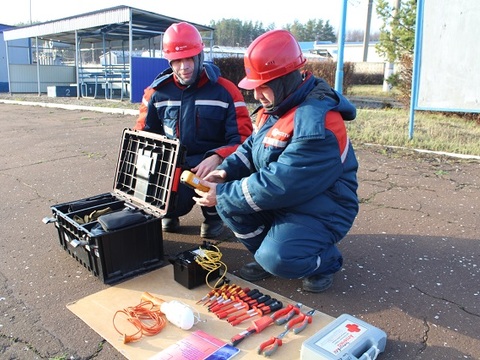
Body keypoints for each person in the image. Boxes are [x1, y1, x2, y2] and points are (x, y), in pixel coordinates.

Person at [192, 29, 359, 292]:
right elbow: (250, 149)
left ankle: (325, 261)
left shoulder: (318, 125)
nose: (256, 95)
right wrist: (224, 172)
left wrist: (222, 193)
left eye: (263, 85)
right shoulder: (276, 107)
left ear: (285, 79)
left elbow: (283, 183)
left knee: (275, 252)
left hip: (325, 207)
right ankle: (267, 257)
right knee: (229, 204)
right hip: (292, 199)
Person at [133, 22, 253, 239]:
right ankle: (168, 210)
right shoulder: (155, 93)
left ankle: (214, 216)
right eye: (177, 61)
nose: (184, 66)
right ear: (169, 61)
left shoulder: (226, 91)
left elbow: (244, 139)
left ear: (200, 55)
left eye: (189, 58)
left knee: (234, 166)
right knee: (148, 171)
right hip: (174, 165)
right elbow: (142, 138)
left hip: (209, 166)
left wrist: (218, 157)